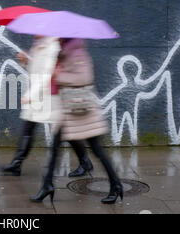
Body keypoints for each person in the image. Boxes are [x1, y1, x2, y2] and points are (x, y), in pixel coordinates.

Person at [30, 38, 123, 204]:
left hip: (83, 111)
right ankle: (47, 185)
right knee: (55, 147)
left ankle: (116, 184)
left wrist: (59, 75)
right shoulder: (63, 51)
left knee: (97, 149)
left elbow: (85, 78)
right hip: (68, 110)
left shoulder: (78, 51)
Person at [0, 35, 62, 176]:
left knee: (61, 131)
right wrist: (26, 62)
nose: (34, 33)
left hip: (47, 95)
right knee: (28, 129)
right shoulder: (39, 45)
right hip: (39, 96)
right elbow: (36, 70)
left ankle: (84, 160)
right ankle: (17, 164)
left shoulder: (52, 47)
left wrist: (30, 95)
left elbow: (46, 74)